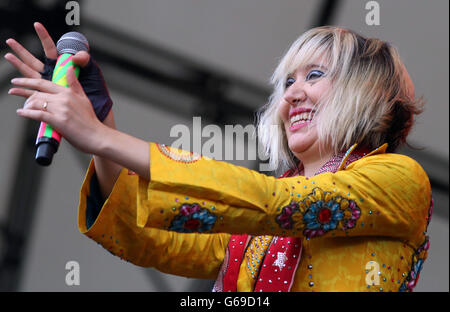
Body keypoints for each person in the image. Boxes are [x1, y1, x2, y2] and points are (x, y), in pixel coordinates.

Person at [6, 23, 432, 292]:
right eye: (286, 82)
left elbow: (277, 206)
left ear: (371, 93)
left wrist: (100, 135)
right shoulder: (250, 230)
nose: (291, 94)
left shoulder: (400, 179)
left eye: (314, 75)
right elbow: (141, 235)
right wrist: (104, 131)